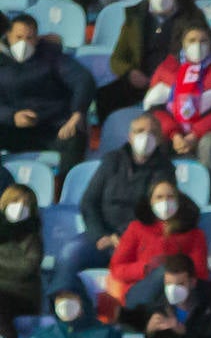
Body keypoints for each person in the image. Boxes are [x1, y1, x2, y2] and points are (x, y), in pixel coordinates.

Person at [53, 112, 174, 286]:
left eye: (152, 132)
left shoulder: (165, 169)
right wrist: (101, 235)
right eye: (140, 131)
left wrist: (127, 238)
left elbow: (160, 210)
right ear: (130, 136)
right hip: (103, 237)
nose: (145, 137)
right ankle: (68, 307)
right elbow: (89, 202)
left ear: (160, 139)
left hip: (140, 242)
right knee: (69, 253)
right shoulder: (112, 160)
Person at [97, 0, 209, 120]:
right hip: (141, 80)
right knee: (105, 96)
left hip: (174, 82)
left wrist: (168, 78)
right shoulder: (135, 17)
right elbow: (118, 58)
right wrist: (130, 73)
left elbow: (200, 52)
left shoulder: (192, 16)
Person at [142, 23, 211, 173]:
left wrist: (196, 133)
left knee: (209, 144)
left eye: (203, 41)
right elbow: (153, 108)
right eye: (192, 41)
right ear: (183, 44)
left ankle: (210, 192)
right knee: (155, 141)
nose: (197, 45)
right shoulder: (168, 68)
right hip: (175, 134)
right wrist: (175, 134)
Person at [0, 14, 93, 177]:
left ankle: (64, 190)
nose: (24, 43)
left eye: (29, 38)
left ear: (37, 38)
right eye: (19, 37)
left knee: (75, 136)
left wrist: (77, 113)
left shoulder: (51, 56)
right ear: (8, 36)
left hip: (52, 127)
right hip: (13, 128)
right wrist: (12, 117)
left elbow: (82, 79)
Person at [108, 178, 208, 305]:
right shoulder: (136, 228)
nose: (165, 202)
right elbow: (116, 268)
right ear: (150, 202)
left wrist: (177, 270)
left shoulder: (194, 234)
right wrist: (145, 268)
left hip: (180, 293)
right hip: (141, 292)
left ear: (178, 201)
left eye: (170, 197)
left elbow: (201, 273)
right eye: (159, 197)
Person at [0, 183, 43, 338]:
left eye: (25, 204)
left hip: (23, 295)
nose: (19, 208)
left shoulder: (32, 234)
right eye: (15, 201)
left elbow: (28, 267)